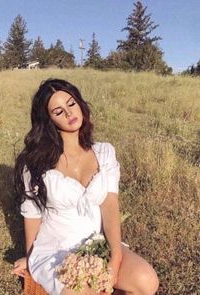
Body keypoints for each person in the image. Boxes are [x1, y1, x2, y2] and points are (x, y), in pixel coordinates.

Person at [13, 78, 159, 295]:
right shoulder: (34, 163)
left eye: (71, 104)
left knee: (146, 281)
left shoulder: (104, 152)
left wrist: (115, 255)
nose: (69, 113)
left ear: (80, 104)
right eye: (58, 111)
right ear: (49, 120)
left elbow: (110, 205)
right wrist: (31, 257)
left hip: (95, 244)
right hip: (55, 251)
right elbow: (32, 217)